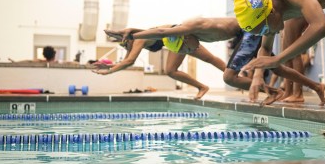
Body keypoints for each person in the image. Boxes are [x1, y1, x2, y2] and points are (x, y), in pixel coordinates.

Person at [122, 17, 325, 106]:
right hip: (243, 34)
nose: (188, 51)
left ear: (184, 36)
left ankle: (274, 91)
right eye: (184, 51)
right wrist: (133, 31)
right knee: (277, 68)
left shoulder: (192, 25)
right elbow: (159, 31)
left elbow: (160, 31)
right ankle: (316, 86)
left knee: (229, 77)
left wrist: (134, 36)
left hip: (248, 31)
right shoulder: (193, 35)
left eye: (185, 47)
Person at [92, 28, 226, 100]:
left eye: (125, 43)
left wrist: (108, 72)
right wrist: (110, 66)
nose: (125, 46)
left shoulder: (139, 39)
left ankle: (232, 75)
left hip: (180, 36)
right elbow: (125, 62)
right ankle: (203, 87)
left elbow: (129, 61)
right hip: (175, 41)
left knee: (209, 59)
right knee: (171, 70)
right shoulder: (135, 39)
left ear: (128, 38)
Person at [269, 0, 311, 103]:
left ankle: (298, 93)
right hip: (291, 15)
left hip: (297, 13)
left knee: (293, 53)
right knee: (286, 54)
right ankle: (288, 91)